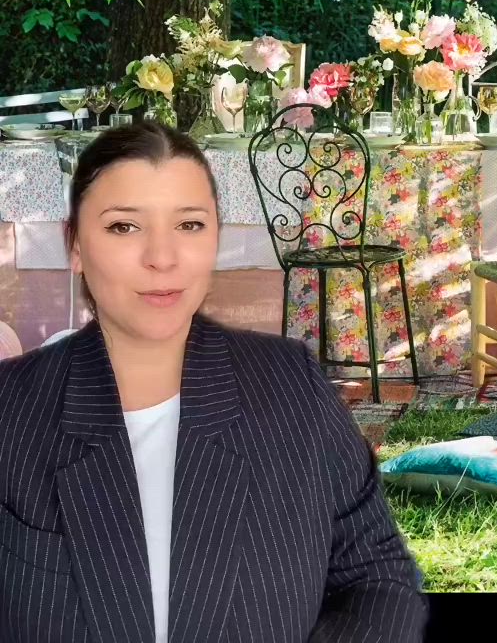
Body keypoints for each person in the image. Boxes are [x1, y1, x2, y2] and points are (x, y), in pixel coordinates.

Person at [0, 122, 428, 643]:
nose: (162, 257)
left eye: (189, 225)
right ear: (74, 245)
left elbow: (376, 576)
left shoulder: (293, 389)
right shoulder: (12, 409)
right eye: (123, 227)